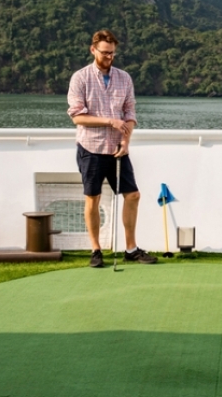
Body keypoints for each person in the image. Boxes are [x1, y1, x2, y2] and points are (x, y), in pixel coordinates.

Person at [67, 30, 157, 267]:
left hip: (118, 148)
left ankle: (131, 249)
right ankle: (96, 250)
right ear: (93, 50)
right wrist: (109, 121)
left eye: (112, 53)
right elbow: (77, 117)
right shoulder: (80, 78)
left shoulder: (124, 78)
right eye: (105, 53)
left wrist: (126, 141)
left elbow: (130, 113)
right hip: (91, 147)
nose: (109, 57)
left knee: (133, 195)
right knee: (92, 198)